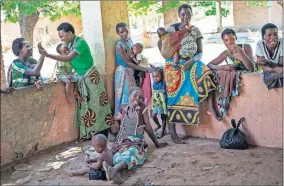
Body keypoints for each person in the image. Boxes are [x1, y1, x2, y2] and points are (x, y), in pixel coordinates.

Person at [38, 22, 113, 140]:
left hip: (91, 77)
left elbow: (68, 58)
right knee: (86, 106)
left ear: (70, 32)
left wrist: (47, 54)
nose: (61, 38)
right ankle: (93, 135)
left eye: (62, 36)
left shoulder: (80, 43)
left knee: (98, 106)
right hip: (82, 78)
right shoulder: (68, 45)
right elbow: (66, 64)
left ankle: (103, 135)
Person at [163, 4, 221, 144]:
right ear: (179, 15)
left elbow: (200, 53)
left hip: (191, 62)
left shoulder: (195, 31)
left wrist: (192, 60)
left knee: (206, 73)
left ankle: (210, 106)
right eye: (183, 14)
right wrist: (177, 58)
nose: (186, 16)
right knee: (173, 96)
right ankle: (173, 133)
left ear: (192, 14)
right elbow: (166, 49)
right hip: (174, 64)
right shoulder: (172, 29)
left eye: (188, 13)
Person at [103, 88, 167, 184]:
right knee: (117, 153)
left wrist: (157, 144)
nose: (137, 99)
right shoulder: (124, 108)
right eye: (135, 96)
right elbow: (120, 128)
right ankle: (114, 171)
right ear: (129, 97)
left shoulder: (143, 108)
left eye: (140, 97)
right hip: (123, 140)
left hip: (136, 141)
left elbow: (148, 128)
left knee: (131, 153)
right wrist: (116, 139)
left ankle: (114, 170)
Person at [207, 28, 254, 118]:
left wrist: (240, 52)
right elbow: (209, 65)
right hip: (236, 90)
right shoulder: (226, 54)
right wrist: (222, 67)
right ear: (224, 42)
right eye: (226, 40)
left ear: (236, 38)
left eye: (232, 39)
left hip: (248, 86)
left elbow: (251, 68)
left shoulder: (245, 47)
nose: (230, 42)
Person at [114, 22, 152, 115]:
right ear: (117, 33)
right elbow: (128, 63)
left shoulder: (130, 40)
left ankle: (133, 119)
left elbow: (134, 56)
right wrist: (145, 69)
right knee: (125, 97)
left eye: (126, 31)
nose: (125, 34)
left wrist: (144, 65)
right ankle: (124, 120)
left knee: (133, 95)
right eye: (121, 32)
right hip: (123, 72)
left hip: (130, 72)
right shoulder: (119, 45)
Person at [255, 23, 283, 90]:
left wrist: (269, 63)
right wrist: (275, 69)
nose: (273, 37)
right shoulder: (259, 44)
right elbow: (264, 68)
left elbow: (282, 65)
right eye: (269, 35)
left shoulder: (282, 43)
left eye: (275, 34)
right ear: (263, 37)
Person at [151, 66, 168, 139]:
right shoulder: (154, 83)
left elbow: (165, 92)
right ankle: (158, 125)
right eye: (154, 76)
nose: (155, 78)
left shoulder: (164, 83)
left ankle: (162, 132)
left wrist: (163, 92)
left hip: (162, 102)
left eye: (157, 76)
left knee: (163, 117)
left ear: (162, 76)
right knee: (153, 115)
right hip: (156, 101)